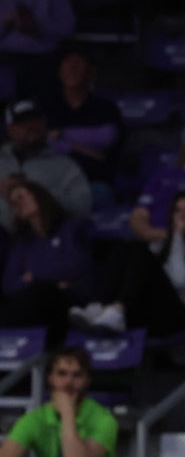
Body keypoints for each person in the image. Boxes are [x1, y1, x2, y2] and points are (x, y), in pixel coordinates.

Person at [71, 188, 185, 337]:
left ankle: (117, 310)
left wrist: (177, 237)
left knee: (141, 251)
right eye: (177, 210)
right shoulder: (161, 245)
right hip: (154, 309)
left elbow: (179, 280)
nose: (182, 216)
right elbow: (145, 277)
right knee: (124, 248)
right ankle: (98, 306)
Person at [0, 179, 91, 344]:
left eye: (20, 197)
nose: (16, 204)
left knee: (39, 292)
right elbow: (9, 283)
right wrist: (51, 279)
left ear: (38, 196)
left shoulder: (70, 228)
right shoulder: (22, 242)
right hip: (31, 304)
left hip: (68, 301)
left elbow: (76, 266)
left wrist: (33, 276)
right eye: (12, 203)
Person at [40, 43, 124, 206]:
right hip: (53, 184)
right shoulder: (46, 108)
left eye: (78, 63)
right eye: (67, 64)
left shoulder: (106, 108)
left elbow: (107, 138)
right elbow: (42, 144)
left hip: (93, 183)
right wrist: (80, 147)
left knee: (102, 193)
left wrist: (62, 135)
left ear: (91, 72)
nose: (72, 69)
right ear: (59, 72)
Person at [0, 98, 90, 233]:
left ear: (44, 123)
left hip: (45, 239)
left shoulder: (65, 165)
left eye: (35, 120)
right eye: (22, 122)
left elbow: (83, 208)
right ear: (9, 129)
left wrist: (37, 194)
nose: (31, 126)